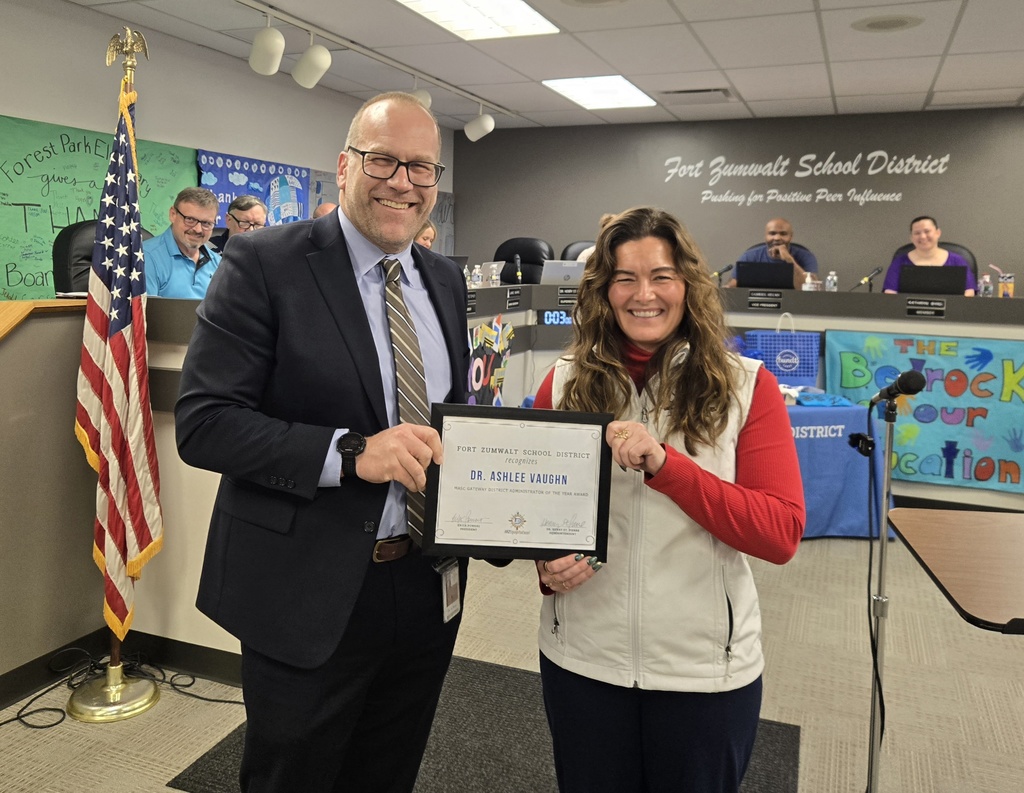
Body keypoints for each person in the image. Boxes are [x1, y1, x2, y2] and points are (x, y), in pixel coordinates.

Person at [175, 92, 472, 793]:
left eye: (422, 167)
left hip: (425, 583)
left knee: (388, 772)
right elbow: (205, 421)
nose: (403, 182)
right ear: (344, 167)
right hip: (305, 588)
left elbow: (452, 419)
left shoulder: (445, 278)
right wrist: (350, 452)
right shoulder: (264, 262)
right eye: (383, 161)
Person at [531, 206, 805, 793]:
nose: (644, 295)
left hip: (703, 673)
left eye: (661, 276)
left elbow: (779, 532)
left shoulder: (747, 385)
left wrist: (667, 466)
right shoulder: (562, 381)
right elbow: (537, 512)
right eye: (624, 279)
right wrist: (544, 563)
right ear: (602, 291)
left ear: (688, 284)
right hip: (582, 660)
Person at [143, 187, 221, 298]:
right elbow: (145, 308)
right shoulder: (146, 257)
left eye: (206, 223)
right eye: (190, 219)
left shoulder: (219, 263)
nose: (198, 229)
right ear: (173, 214)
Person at [882, 215, 976, 296]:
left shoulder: (957, 261)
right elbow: (890, 292)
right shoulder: (900, 262)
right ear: (911, 237)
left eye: (927, 231)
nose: (922, 236)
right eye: (917, 233)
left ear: (938, 233)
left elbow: (969, 291)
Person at [730, 217, 818, 289]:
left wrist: (789, 259)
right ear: (765, 236)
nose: (777, 238)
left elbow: (812, 290)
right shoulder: (750, 256)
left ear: (791, 236)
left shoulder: (806, 256)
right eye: (772, 233)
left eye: (783, 234)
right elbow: (732, 286)